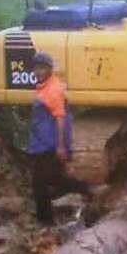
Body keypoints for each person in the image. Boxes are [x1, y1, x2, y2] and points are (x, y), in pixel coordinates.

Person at [28, 51, 88, 225]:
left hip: (48, 144)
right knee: (53, 178)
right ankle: (87, 190)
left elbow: (60, 118)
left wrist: (61, 147)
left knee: (39, 183)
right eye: (36, 68)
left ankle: (45, 221)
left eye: (42, 68)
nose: (38, 72)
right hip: (42, 142)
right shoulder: (47, 86)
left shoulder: (52, 90)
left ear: (49, 69)